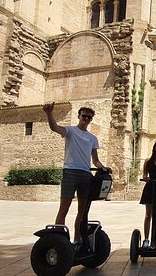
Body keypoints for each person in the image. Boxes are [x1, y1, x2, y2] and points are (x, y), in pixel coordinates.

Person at [43, 103, 109, 245]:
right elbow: (54, 128)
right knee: (64, 208)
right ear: (79, 116)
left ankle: (77, 240)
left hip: (85, 174)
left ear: (91, 120)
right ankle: (59, 241)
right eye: (84, 115)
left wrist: (104, 168)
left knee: (82, 211)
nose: (86, 118)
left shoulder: (93, 138)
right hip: (70, 172)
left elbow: (95, 161)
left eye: (89, 117)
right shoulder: (70, 131)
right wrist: (49, 113)